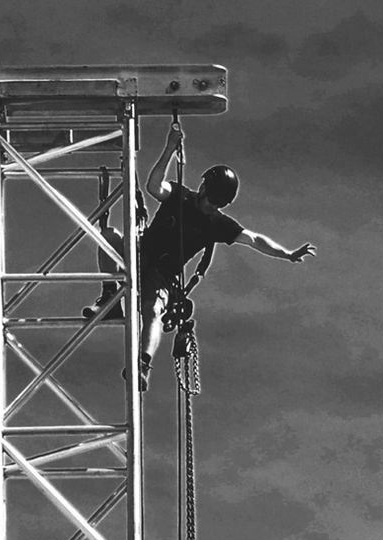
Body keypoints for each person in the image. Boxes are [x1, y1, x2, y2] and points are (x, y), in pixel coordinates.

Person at [84, 126, 317, 390]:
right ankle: (109, 298)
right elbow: (154, 187)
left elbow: (254, 240)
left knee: (152, 312)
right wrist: (170, 148)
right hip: (140, 255)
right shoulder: (181, 197)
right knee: (110, 236)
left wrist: (285, 254)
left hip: (160, 274)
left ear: (207, 185)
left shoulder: (215, 222)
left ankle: (142, 365)